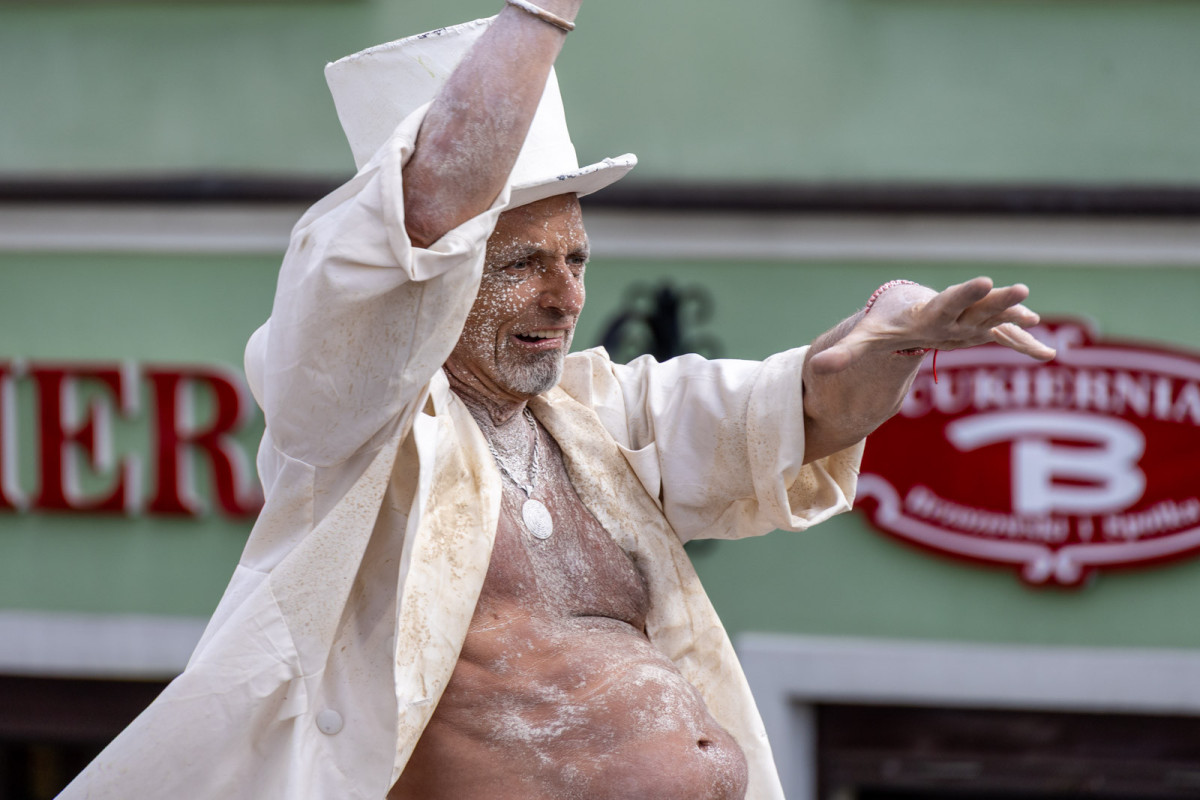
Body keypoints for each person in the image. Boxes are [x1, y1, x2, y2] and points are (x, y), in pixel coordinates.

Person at [58, 3, 1055, 799]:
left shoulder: (595, 415)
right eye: (524, 260)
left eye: (577, 256)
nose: (567, 292)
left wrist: (894, 339)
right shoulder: (351, 428)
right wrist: (540, 11)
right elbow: (422, 216)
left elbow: (806, 411)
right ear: (435, 280)